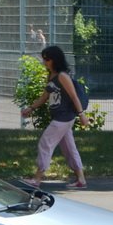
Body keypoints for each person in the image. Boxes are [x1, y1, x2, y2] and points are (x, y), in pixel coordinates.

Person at [21, 45, 90, 189]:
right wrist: (31, 108)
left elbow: (74, 97)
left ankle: (37, 179)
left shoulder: (62, 76)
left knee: (45, 143)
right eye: (44, 58)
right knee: (69, 148)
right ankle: (81, 179)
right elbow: (44, 97)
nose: (44, 62)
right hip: (60, 117)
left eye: (47, 59)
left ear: (55, 60)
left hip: (64, 118)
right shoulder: (51, 76)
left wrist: (82, 115)